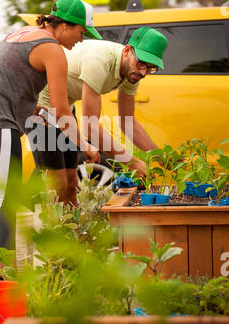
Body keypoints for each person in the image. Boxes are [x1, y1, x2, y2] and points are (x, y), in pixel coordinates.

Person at [0, 0, 102, 273]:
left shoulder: (21, 34)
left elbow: (10, 87)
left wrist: (40, 113)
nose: (81, 41)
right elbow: (63, 111)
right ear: (65, 25)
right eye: (82, 33)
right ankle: (6, 277)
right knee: (6, 199)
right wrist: (84, 145)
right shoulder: (52, 49)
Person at [29, 26, 168, 206]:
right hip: (40, 107)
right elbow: (90, 128)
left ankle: (74, 231)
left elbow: (128, 122)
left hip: (65, 108)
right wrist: (131, 161)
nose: (143, 72)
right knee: (56, 184)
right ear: (127, 51)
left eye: (151, 68)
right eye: (141, 63)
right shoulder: (99, 61)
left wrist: (161, 156)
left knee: (71, 184)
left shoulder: (132, 73)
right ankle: (44, 227)